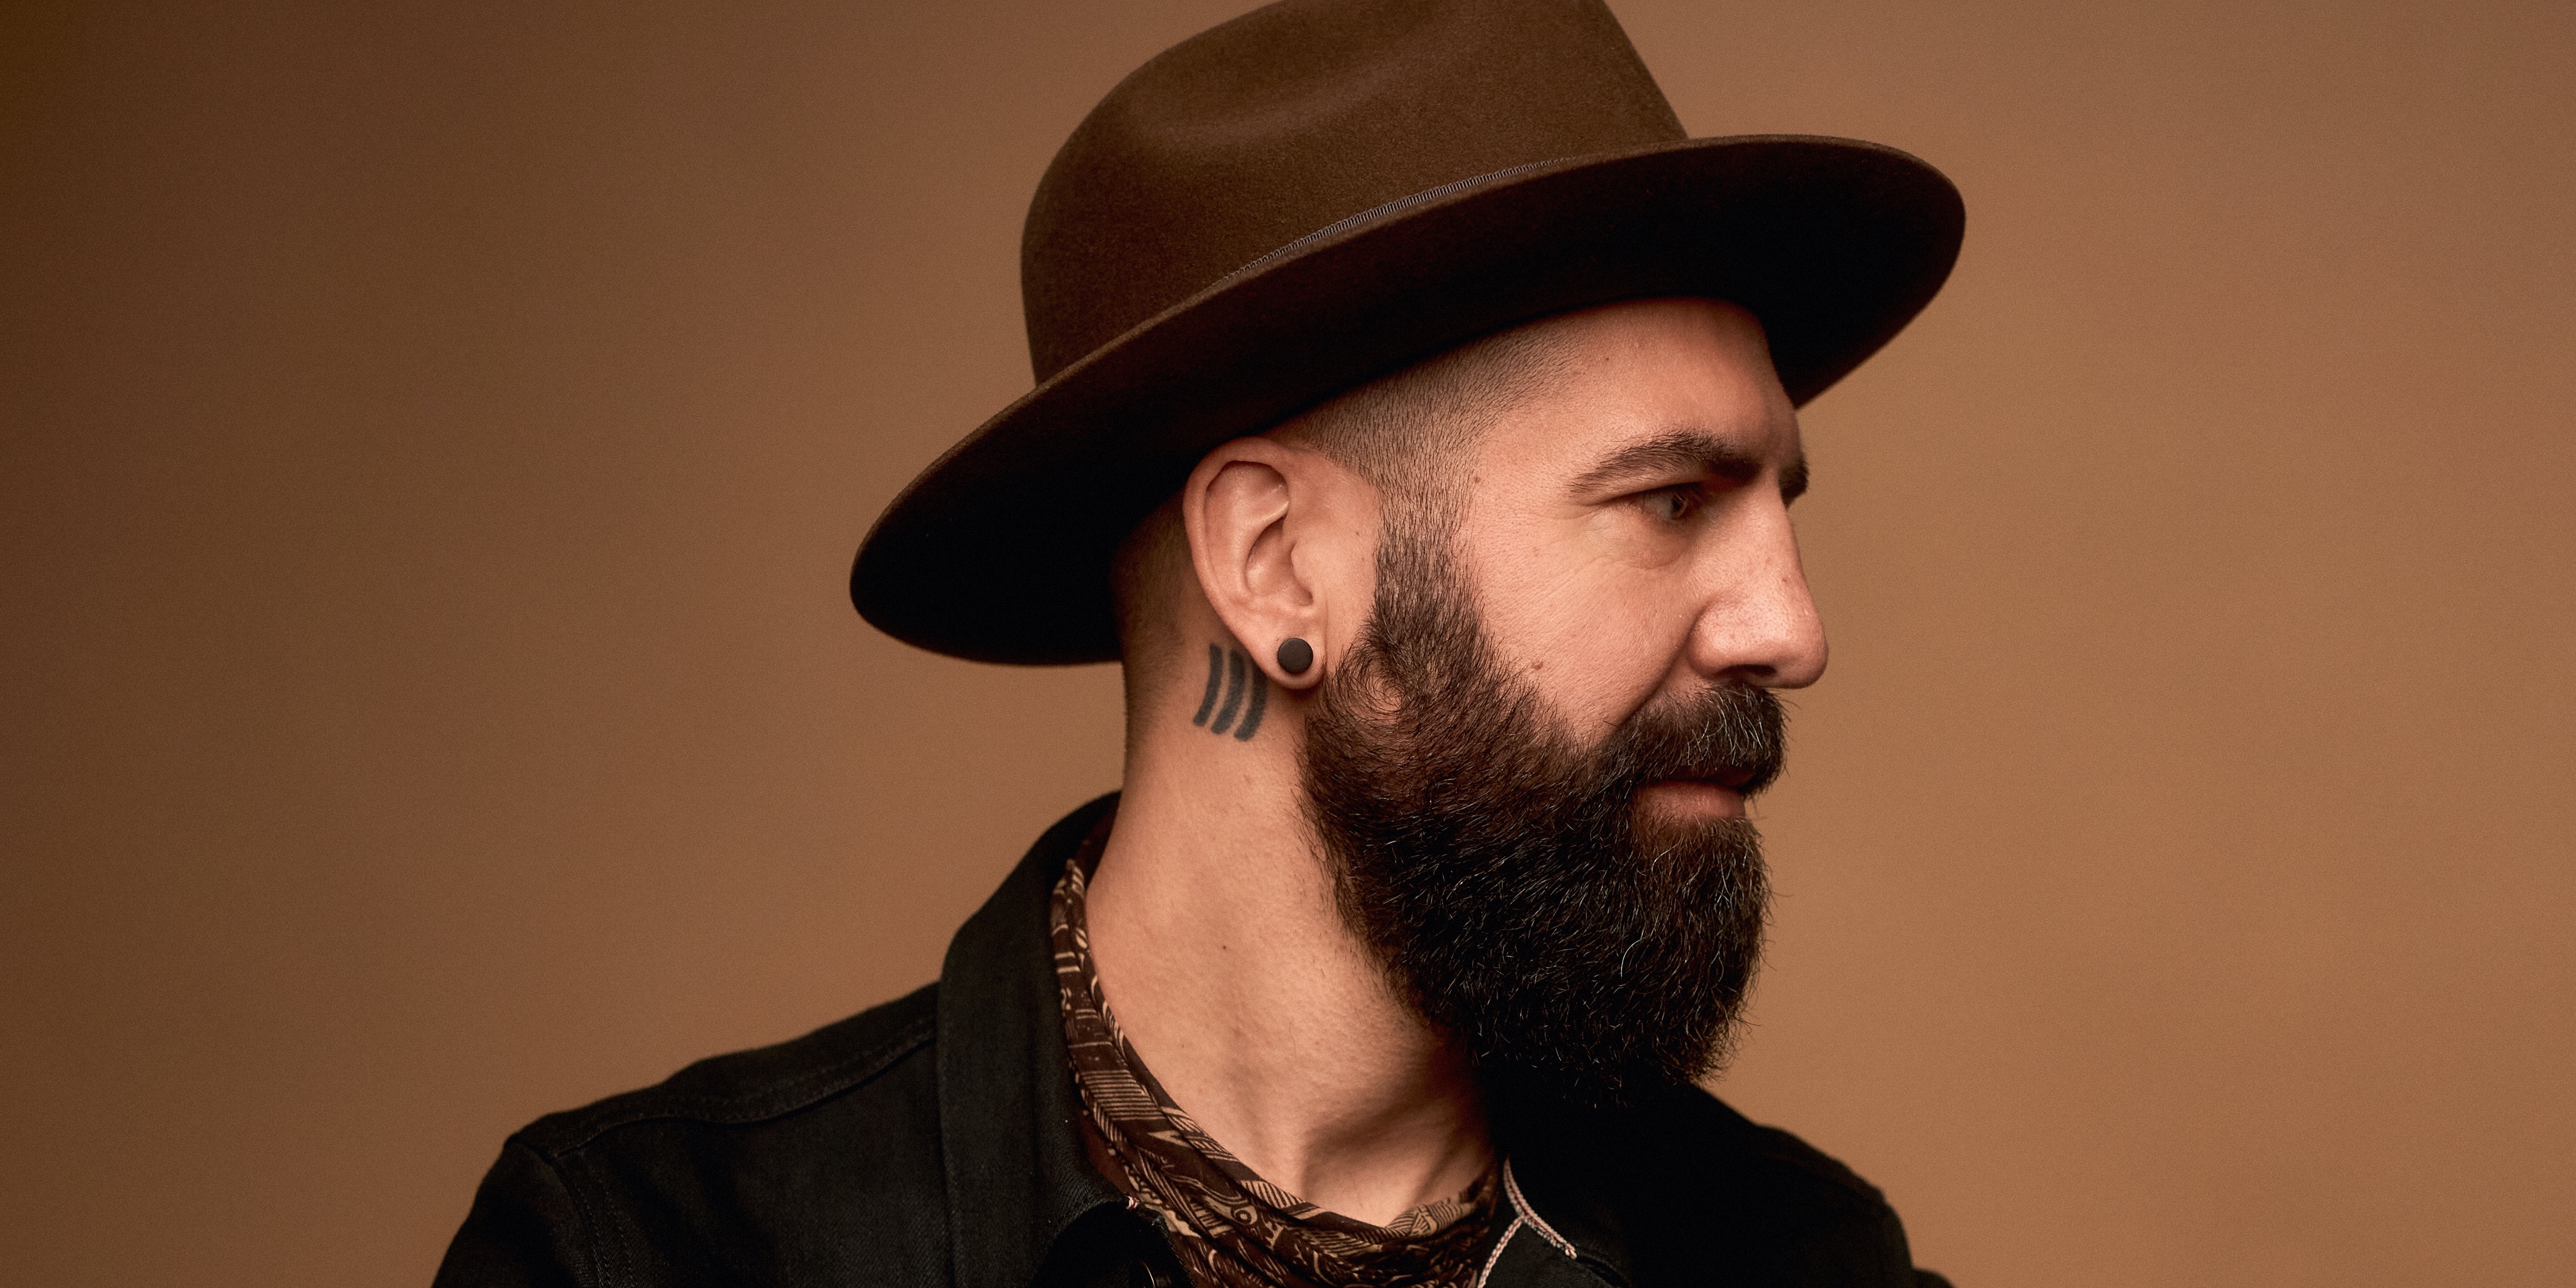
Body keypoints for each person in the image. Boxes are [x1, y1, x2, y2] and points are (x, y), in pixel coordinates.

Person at [435, 1, 1964, 1284]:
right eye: (1671, 500)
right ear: (1275, 566)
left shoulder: (1805, 1262)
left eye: (1776, 508)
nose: (1793, 629)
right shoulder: (647, 1255)